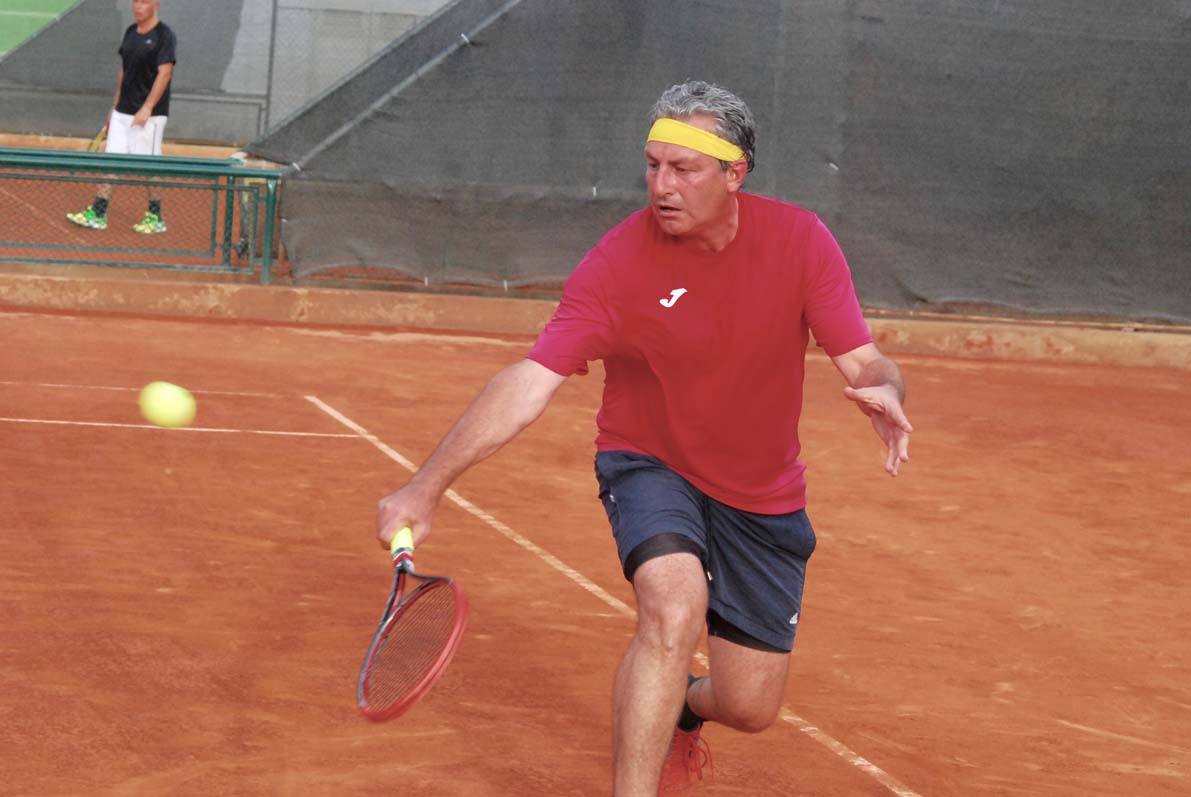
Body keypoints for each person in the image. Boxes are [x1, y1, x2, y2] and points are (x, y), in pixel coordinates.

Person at [375, 80, 913, 795]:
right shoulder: (618, 264)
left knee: (750, 705)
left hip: (760, 489)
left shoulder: (800, 240)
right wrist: (426, 485)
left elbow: (864, 358)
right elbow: (530, 381)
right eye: (653, 166)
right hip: (649, 462)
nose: (662, 186)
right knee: (671, 606)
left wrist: (886, 388)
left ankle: (686, 709)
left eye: (683, 169)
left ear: (734, 173)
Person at [67, 0, 176, 234]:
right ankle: (98, 213)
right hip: (122, 112)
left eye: (144, 2)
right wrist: (115, 106)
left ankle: (155, 217)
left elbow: (165, 74)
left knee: (150, 166)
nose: (138, 6)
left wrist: (147, 108)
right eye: (135, 1)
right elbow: (124, 70)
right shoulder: (130, 32)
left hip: (150, 116)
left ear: (156, 4)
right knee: (111, 160)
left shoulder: (164, 35)